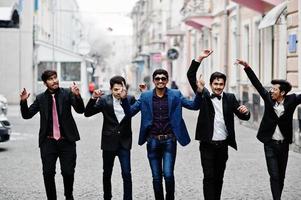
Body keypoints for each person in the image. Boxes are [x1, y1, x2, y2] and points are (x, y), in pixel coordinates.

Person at [120, 68, 203, 200]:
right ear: (154, 81)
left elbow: (194, 106)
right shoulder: (145, 96)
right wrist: (124, 99)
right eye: (157, 78)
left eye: (163, 78)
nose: (160, 81)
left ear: (167, 80)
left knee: (168, 174)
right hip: (152, 141)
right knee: (156, 177)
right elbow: (130, 113)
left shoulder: (175, 94)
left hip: (170, 140)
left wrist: (199, 91)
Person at [187, 50, 251, 200]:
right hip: (207, 144)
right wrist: (199, 58)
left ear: (224, 85)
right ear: (211, 84)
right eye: (215, 84)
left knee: (219, 177)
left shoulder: (230, 98)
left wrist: (246, 112)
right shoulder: (204, 95)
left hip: (223, 145)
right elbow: (190, 76)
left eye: (221, 84)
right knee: (208, 177)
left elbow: (243, 115)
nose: (218, 87)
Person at [236, 59, 301, 200]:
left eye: (275, 89)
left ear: (282, 92)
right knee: (274, 174)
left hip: (283, 145)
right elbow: (257, 84)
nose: (271, 91)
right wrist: (247, 67)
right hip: (269, 143)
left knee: (281, 175)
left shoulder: (292, 100)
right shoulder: (268, 98)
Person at [19, 70, 85, 200]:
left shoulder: (67, 93)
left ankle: (68, 195)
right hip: (48, 142)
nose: (54, 81)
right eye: (50, 79)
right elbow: (27, 115)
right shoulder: (40, 98)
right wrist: (23, 102)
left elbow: (80, 110)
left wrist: (77, 96)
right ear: (45, 83)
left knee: (68, 172)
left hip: (67, 140)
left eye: (55, 78)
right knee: (48, 173)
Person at [84, 76, 136, 200]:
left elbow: (133, 113)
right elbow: (87, 113)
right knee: (107, 173)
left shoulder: (130, 99)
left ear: (125, 88)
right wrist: (93, 98)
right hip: (108, 142)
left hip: (124, 142)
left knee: (126, 173)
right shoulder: (104, 100)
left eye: (121, 89)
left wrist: (125, 100)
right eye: (115, 90)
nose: (118, 92)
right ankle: (107, 197)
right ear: (111, 89)